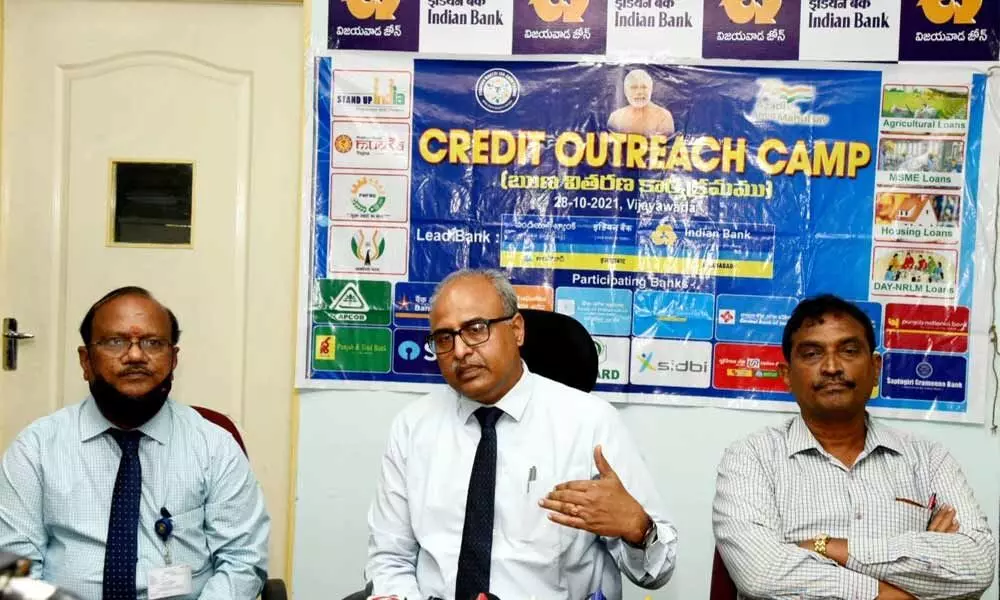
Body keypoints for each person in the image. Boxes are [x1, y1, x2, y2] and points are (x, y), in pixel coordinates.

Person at [366, 269, 677, 600]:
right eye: (444, 338)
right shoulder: (413, 427)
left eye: (475, 330)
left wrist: (638, 530)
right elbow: (389, 559)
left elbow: (657, 572)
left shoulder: (590, 424)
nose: (459, 351)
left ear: (516, 330)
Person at [713, 294, 994, 600]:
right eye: (811, 354)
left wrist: (828, 547)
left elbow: (977, 565)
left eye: (848, 351)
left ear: (875, 368)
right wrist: (886, 590)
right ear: (786, 376)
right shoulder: (751, 458)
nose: (832, 367)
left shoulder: (928, 459)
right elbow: (762, 573)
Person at [0, 286, 270, 599]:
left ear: (173, 360)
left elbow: (243, 560)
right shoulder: (36, 449)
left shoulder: (214, 446)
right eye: (115, 341)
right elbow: (11, 567)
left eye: (153, 343)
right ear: (86, 361)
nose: (135, 355)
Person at [607, 69, 675, 137]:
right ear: (625, 91)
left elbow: (668, 145)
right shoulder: (615, 118)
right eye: (634, 87)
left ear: (651, 89)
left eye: (644, 87)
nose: (639, 92)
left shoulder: (663, 116)